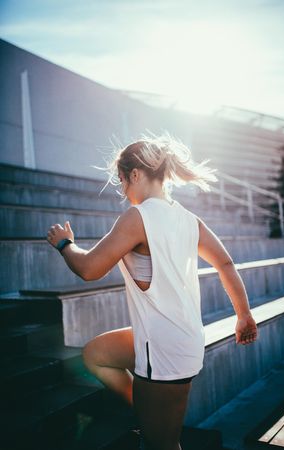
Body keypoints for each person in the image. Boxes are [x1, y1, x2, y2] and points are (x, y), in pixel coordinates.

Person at [46, 133, 258, 450]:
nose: (123, 191)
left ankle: (153, 422)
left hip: (165, 349)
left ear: (135, 175)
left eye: (122, 183)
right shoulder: (189, 219)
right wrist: (243, 315)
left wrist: (64, 244)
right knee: (95, 356)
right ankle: (149, 414)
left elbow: (89, 268)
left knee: (163, 446)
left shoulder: (138, 216)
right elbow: (226, 263)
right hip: (174, 337)